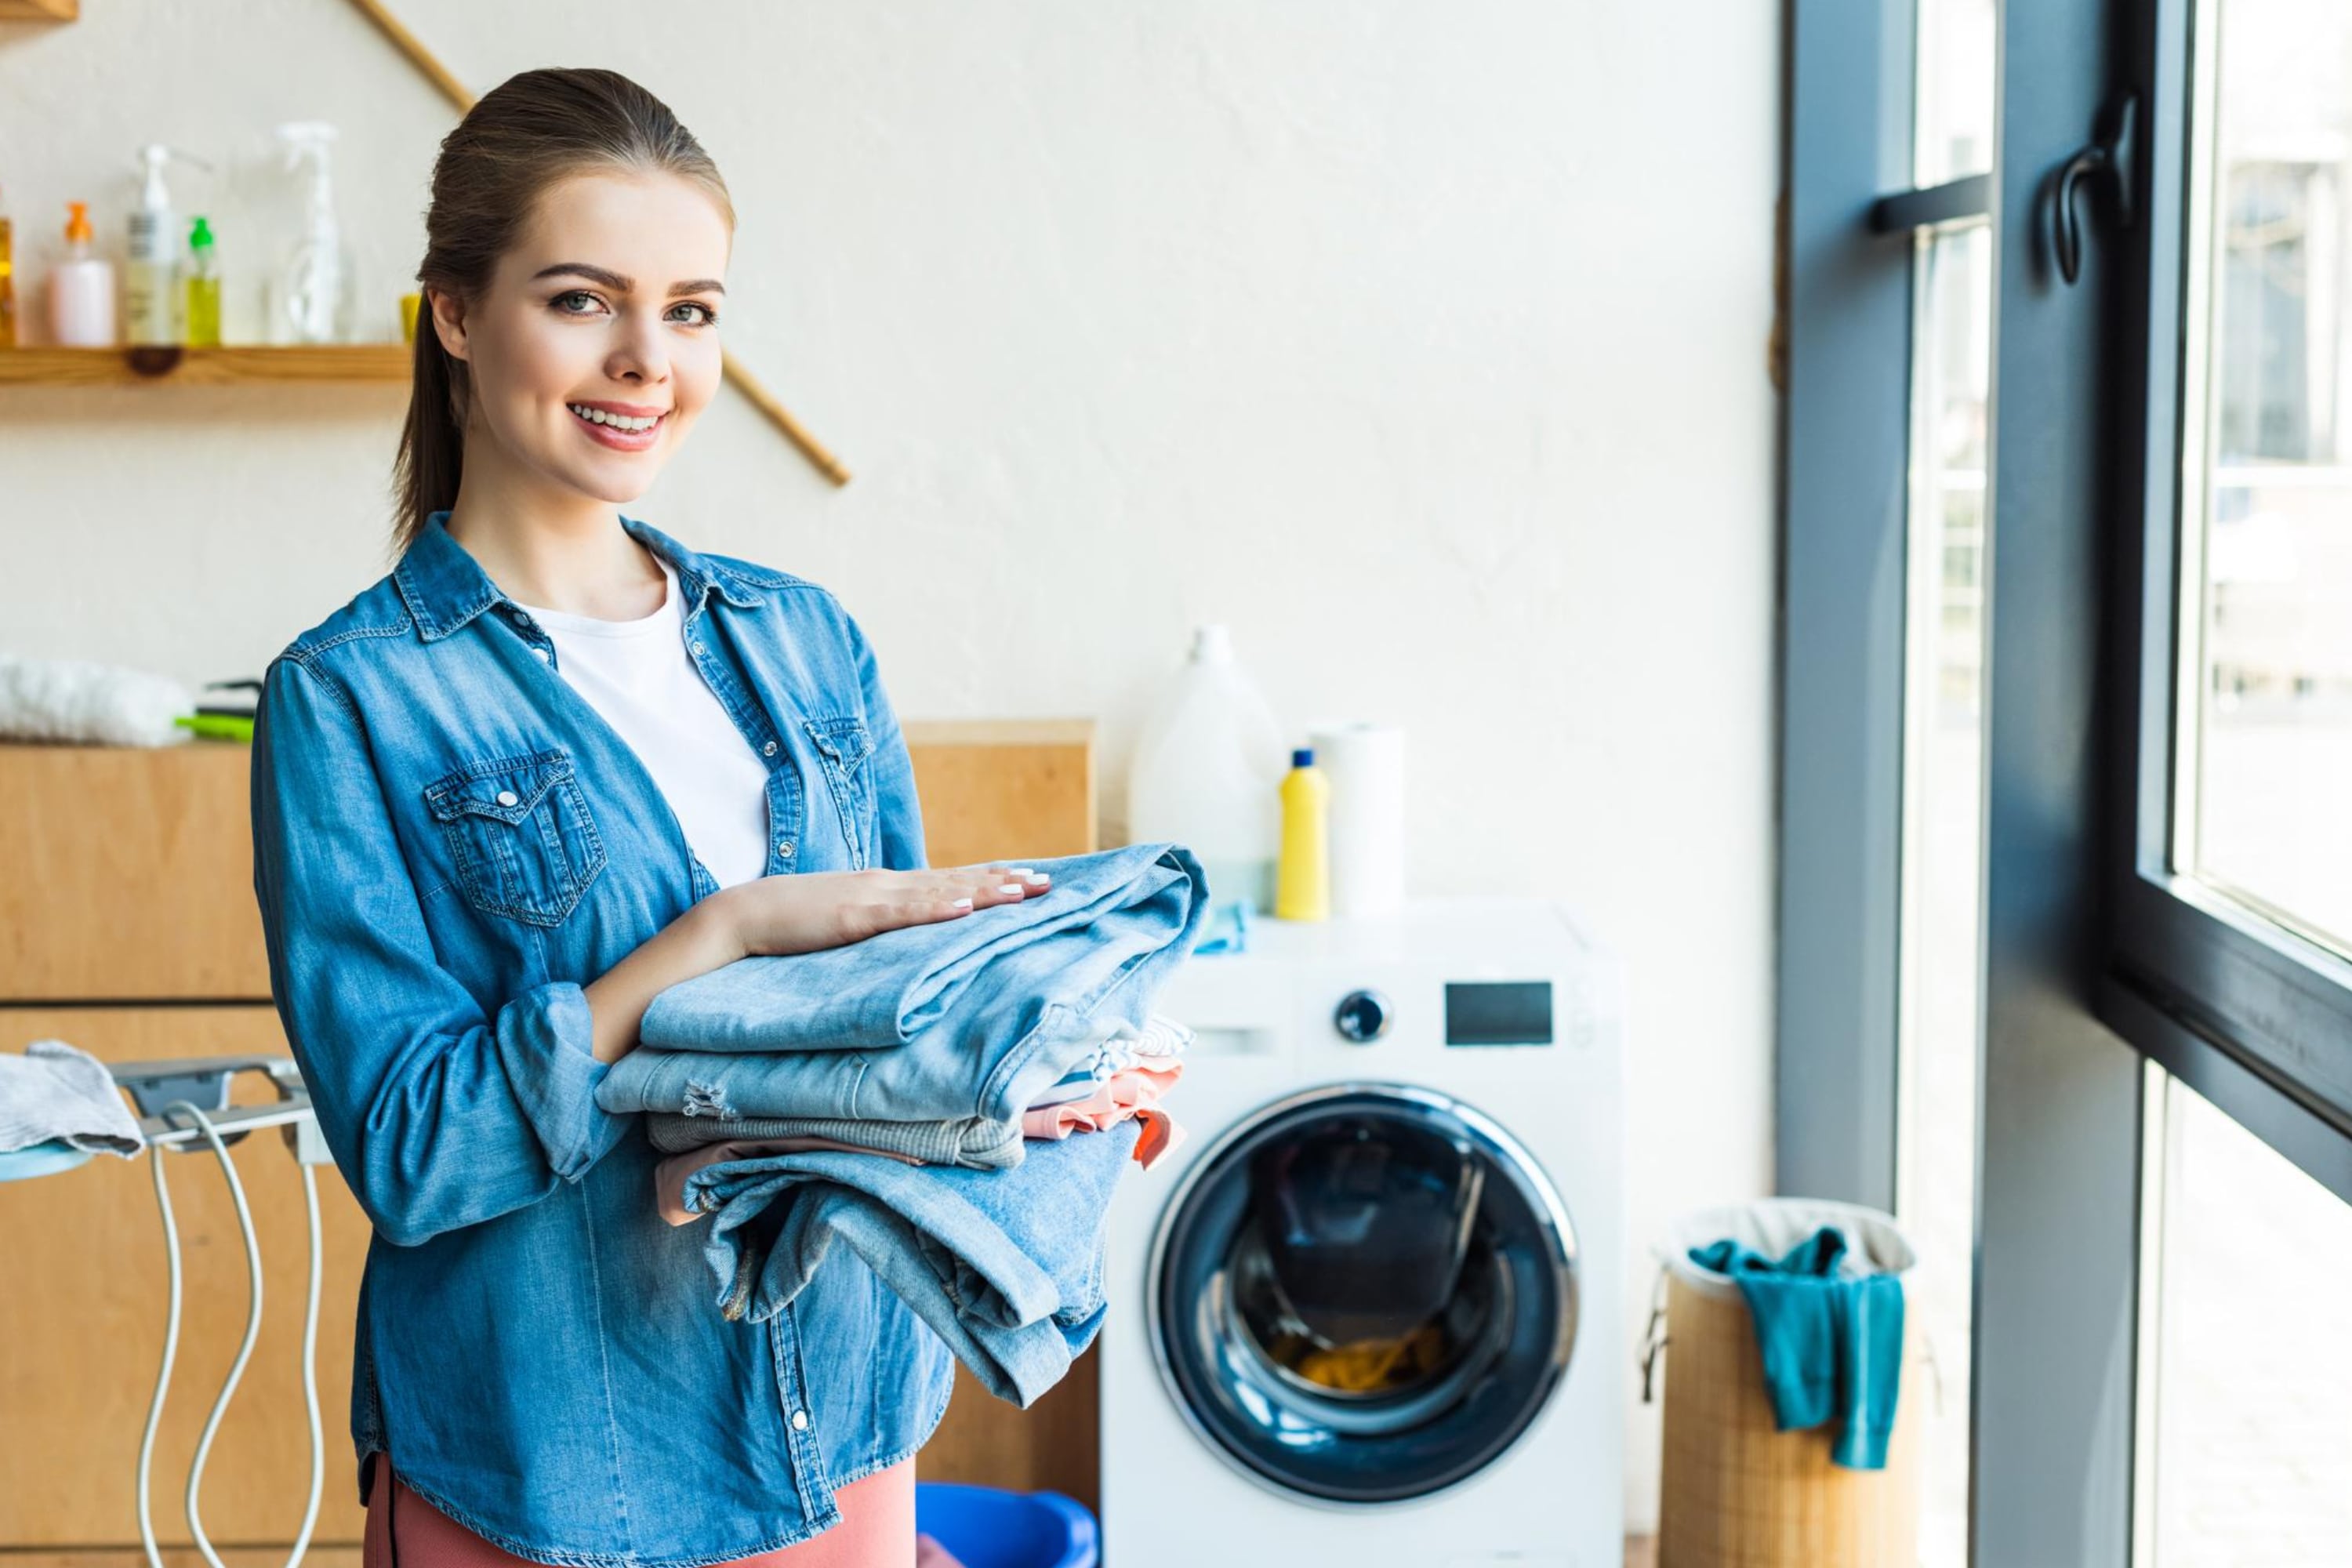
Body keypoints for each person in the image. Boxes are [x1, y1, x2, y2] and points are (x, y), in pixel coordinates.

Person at [249, 66, 1045, 1568]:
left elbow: (895, 1030)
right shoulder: (350, 700)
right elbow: (416, 1154)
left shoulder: (811, 642)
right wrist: (717, 938)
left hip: (844, 1428)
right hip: (551, 1471)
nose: (645, 361)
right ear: (456, 313)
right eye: (581, 299)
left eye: (691, 309)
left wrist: (1041, 1078)